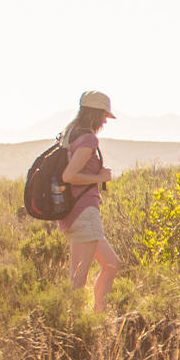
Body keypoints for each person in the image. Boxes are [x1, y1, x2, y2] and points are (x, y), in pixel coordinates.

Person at [61, 90, 121, 315]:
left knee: (110, 263)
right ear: (96, 114)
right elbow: (69, 175)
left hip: (76, 211)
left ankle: (98, 314)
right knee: (79, 275)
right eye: (104, 115)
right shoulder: (87, 139)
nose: (105, 120)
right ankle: (77, 325)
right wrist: (100, 178)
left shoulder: (70, 134)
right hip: (84, 211)